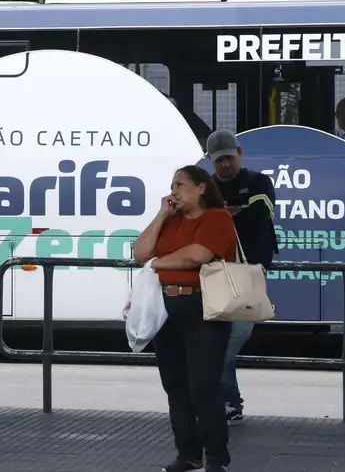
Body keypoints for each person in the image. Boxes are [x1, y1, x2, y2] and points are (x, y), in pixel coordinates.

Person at [133, 165, 238, 472]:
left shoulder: (217, 218)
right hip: (167, 309)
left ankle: (217, 458)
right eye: (172, 185)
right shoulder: (171, 220)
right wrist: (162, 214)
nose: (174, 191)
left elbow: (198, 255)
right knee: (175, 385)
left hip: (202, 307)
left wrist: (157, 263)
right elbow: (141, 252)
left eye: (180, 185)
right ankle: (188, 455)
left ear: (201, 187)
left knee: (203, 386)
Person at [203, 130, 277, 425]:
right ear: (210, 160)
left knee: (236, 335)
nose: (224, 165)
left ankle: (219, 393)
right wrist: (233, 211)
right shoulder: (207, 187)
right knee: (220, 336)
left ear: (240, 153)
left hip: (249, 270)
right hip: (215, 270)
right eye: (218, 160)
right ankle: (229, 402)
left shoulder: (258, 181)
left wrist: (228, 212)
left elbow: (264, 210)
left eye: (228, 158)